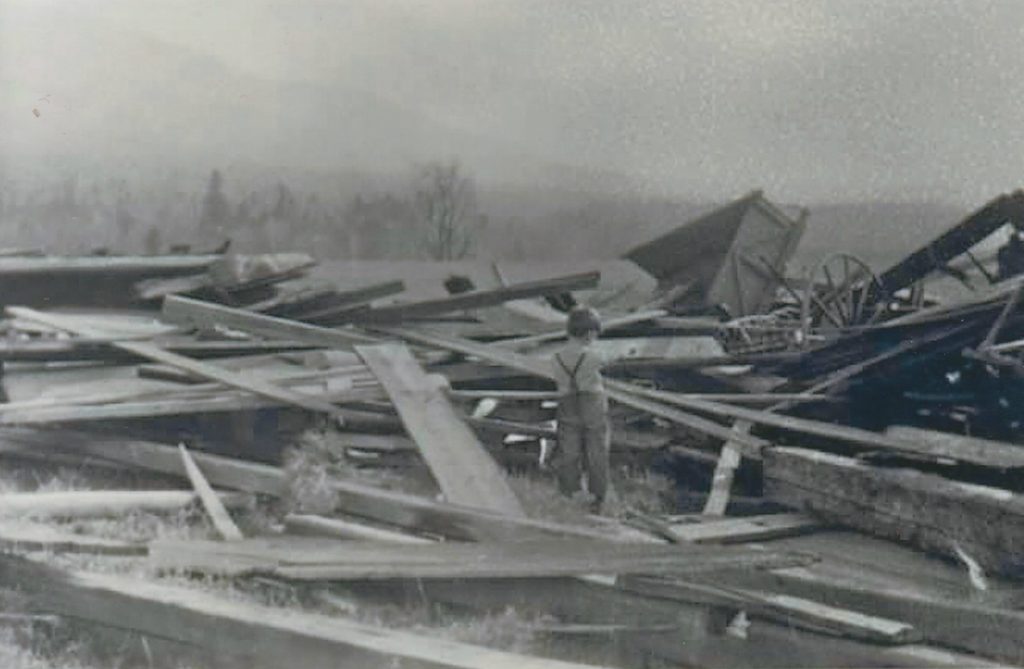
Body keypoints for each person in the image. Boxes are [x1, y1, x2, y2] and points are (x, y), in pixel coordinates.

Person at [551, 306, 611, 512]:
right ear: (589, 333)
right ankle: (597, 496)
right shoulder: (594, 356)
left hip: (567, 401)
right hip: (592, 401)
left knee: (568, 449)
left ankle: (568, 492)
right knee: (596, 449)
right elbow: (606, 362)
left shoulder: (557, 356)